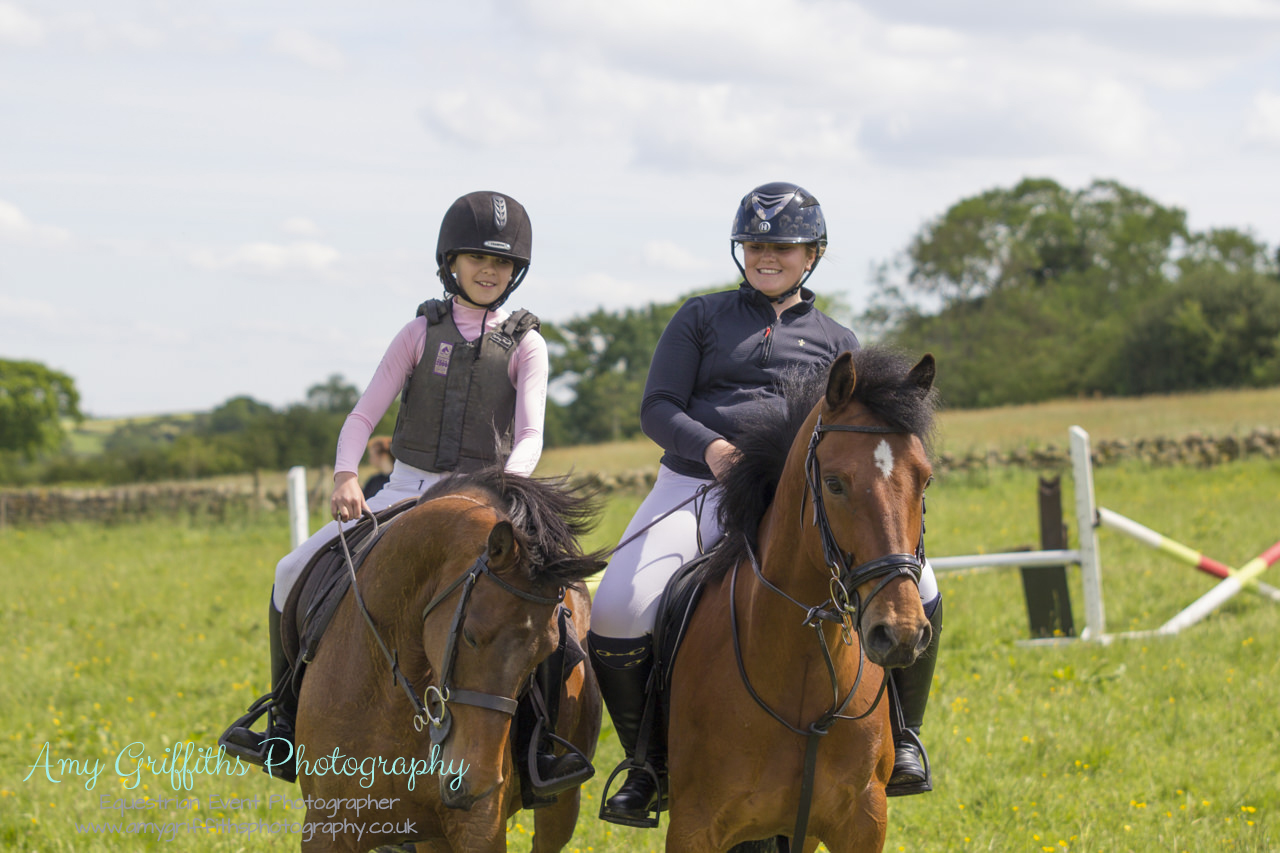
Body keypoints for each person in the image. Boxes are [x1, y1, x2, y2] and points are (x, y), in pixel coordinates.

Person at [586, 181, 944, 826]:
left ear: (813, 254)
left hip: (805, 499)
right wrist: (715, 450)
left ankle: (906, 738)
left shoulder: (840, 339)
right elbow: (657, 406)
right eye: (754, 243)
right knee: (616, 607)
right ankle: (646, 763)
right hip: (698, 484)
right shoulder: (699, 317)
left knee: (928, 589)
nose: (766, 255)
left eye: (782, 245)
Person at [220, 191, 581, 789]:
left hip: (487, 498)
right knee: (290, 571)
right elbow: (365, 414)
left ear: (516, 272)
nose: (489, 272)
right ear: (451, 264)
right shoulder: (419, 332)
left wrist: (510, 494)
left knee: (554, 607)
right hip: (406, 489)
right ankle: (284, 722)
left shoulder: (527, 344)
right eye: (476, 260)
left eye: (501, 264)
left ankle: (544, 743)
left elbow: (531, 432)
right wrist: (344, 475)